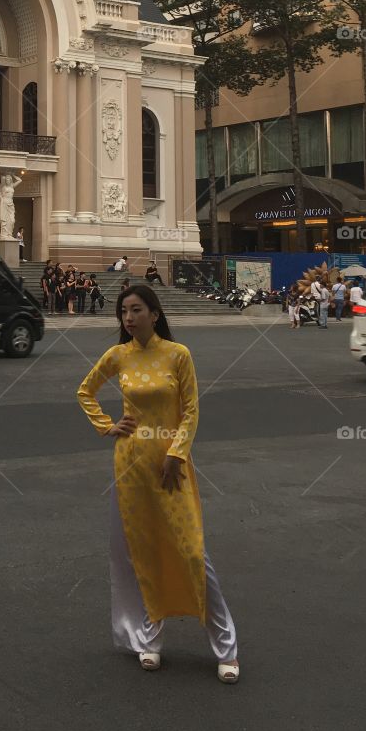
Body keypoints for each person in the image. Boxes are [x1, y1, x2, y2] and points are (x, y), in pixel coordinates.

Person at [76, 284, 239, 683]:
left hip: (171, 466)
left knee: (192, 553)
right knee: (140, 552)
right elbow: (85, 391)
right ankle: (148, 639)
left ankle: (227, 648)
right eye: (123, 312)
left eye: (135, 310)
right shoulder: (119, 355)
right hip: (131, 464)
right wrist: (109, 426)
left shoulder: (177, 354)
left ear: (154, 313)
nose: (128, 318)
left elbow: (191, 410)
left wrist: (175, 453)